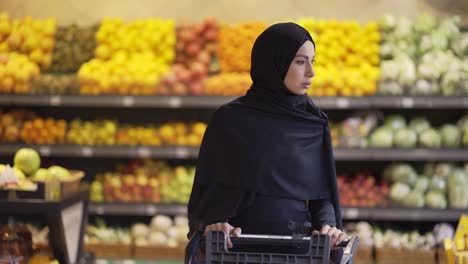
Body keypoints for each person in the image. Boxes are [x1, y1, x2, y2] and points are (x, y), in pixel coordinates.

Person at [187, 22, 346, 249]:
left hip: (297, 250)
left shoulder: (313, 124)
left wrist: (328, 226)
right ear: (274, 63)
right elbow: (208, 196)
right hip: (236, 251)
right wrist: (215, 224)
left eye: (313, 61)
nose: (311, 72)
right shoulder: (229, 120)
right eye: (300, 61)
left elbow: (320, 196)